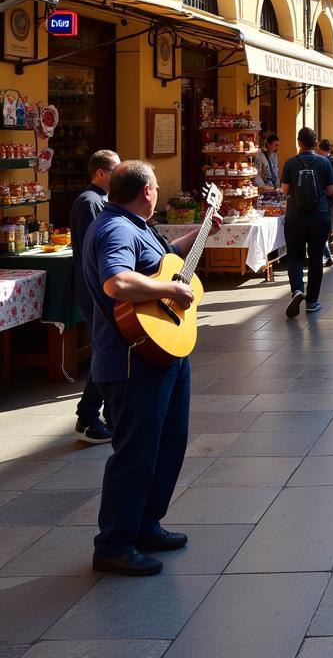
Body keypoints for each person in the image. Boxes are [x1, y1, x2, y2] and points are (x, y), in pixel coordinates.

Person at [81, 160, 211, 576]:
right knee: (135, 453)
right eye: (155, 186)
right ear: (148, 191)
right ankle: (114, 543)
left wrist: (205, 227)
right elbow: (116, 282)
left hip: (163, 352)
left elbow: (165, 261)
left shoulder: (138, 225)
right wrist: (172, 289)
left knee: (169, 444)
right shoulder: (116, 228)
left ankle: (146, 524)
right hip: (133, 358)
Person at [69, 148, 120, 445]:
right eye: (115, 170)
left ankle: (109, 415)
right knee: (106, 351)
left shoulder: (103, 201)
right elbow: (97, 248)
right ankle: (87, 416)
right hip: (93, 288)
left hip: (99, 287)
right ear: (100, 173)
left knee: (108, 349)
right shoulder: (89, 202)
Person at [280, 128, 333, 317]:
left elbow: (284, 190)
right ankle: (312, 301)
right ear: (316, 143)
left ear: (299, 142)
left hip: (295, 217)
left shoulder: (290, 163)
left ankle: (297, 289)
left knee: (295, 256)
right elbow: (330, 190)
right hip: (319, 216)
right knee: (315, 257)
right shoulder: (324, 162)